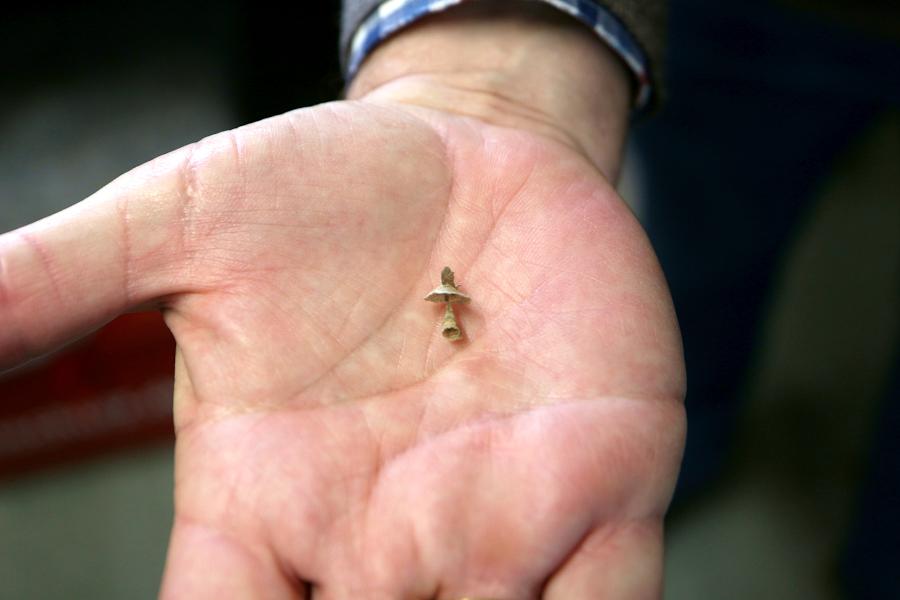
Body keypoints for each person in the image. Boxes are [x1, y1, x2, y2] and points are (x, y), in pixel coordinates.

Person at [0, 0, 895, 598]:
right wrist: (488, 80)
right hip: (770, 24)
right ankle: (695, 452)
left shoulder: (452, 300)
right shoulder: (458, 293)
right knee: (695, 273)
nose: (449, 301)